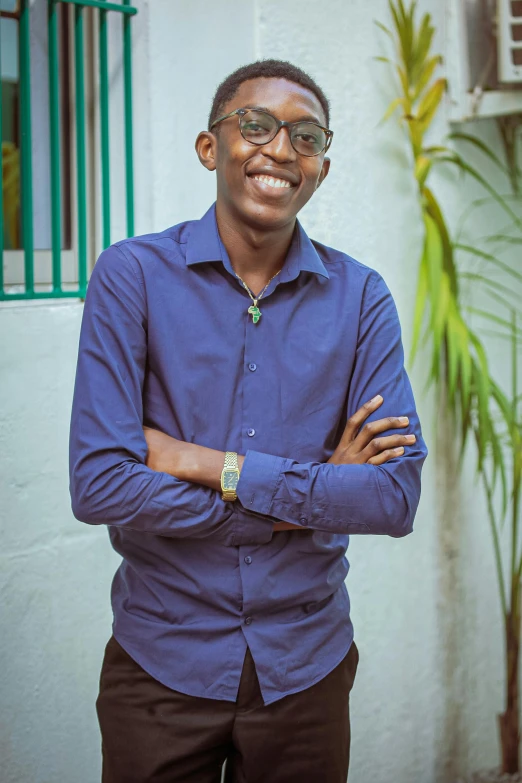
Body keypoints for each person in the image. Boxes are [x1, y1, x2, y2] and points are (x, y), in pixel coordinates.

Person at [69, 58, 427, 783]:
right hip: (161, 667)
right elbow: (101, 484)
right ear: (212, 147)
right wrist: (316, 494)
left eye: (306, 135)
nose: (280, 149)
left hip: (307, 669)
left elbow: (392, 498)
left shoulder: (361, 299)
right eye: (256, 125)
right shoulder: (131, 276)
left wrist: (211, 465)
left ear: (322, 166)